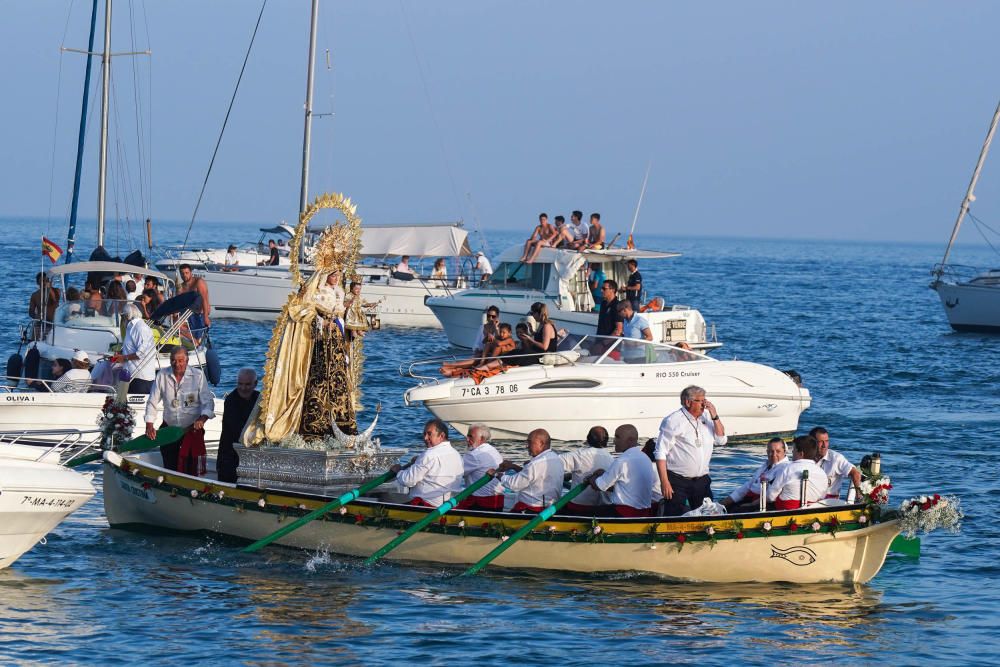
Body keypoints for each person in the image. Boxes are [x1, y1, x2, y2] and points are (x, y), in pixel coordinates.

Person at [654, 385, 728, 515]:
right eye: (701, 401)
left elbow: (721, 440)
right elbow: (660, 452)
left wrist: (715, 416)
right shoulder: (673, 421)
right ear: (688, 402)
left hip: (702, 480)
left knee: (708, 516)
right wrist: (664, 482)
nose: (704, 405)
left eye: (705, 401)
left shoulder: (706, 417)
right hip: (678, 480)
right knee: (674, 516)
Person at [144, 347, 215, 473]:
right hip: (169, 429)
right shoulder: (162, 375)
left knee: (191, 468)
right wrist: (149, 425)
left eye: (180, 360)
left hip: (191, 429)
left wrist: (202, 419)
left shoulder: (197, 375)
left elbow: (208, 402)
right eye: (173, 360)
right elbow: (152, 402)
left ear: (187, 361)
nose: (177, 364)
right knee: (169, 466)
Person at [390, 418, 464, 507]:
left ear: (441, 436)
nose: (425, 438)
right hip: (451, 505)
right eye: (424, 434)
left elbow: (407, 481)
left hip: (428, 506)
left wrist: (398, 471)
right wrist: (418, 461)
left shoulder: (429, 455)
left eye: (429, 434)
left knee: (385, 499)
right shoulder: (457, 455)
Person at [589, 424, 657, 517]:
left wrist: (591, 478)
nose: (614, 441)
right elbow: (628, 485)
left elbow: (600, 486)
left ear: (630, 440)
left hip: (623, 513)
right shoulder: (645, 458)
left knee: (585, 512)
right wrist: (605, 474)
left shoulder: (622, 460)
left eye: (617, 437)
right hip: (644, 513)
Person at [497, 428, 563, 512]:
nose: (526, 446)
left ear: (541, 443)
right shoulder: (556, 458)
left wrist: (497, 474)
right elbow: (533, 475)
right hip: (550, 508)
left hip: (531, 509)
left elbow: (513, 485)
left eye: (529, 442)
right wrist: (513, 466)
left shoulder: (535, 464)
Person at [721, 437, 790, 512]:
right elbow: (748, 486)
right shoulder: (766, 465)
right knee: (723, 507)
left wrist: (751, 504)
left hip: (762, 503)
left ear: (784, 451)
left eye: (778, 451)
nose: (774, 454)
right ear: (767, 452)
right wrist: (724, 502)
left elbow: (771, 496)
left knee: (734, 511)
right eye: (771, 451)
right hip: (749, 498)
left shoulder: (785, 469)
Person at [559, 426, 614, 515]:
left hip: (579, 508)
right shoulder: (612, 460)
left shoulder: (579, 455)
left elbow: (552, 463)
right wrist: (570, 475)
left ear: (588, 440)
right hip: (604, 509)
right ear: (607, 442)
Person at [217, 368, 259, 483]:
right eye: (240, 384)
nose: (243, 388)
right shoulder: (231, 400)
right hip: (230, 456)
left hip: (251, 455)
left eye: (247, 384)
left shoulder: (259, 399)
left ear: (255, 384)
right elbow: (236, 428)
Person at [765, 435, 829, 510]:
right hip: (813, 511)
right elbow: (823, 496)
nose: (792, 452)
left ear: (801, 453)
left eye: (794, 450)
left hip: (786, 510)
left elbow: (770, 497)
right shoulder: (822, 473)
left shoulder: (788, 468)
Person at [456, 424, 505, 510]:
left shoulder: (473, 455)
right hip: (498, 502)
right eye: (467, 436)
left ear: (481, 439)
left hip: (480, 504)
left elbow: (456, 474)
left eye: (471, 437)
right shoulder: (493, 450)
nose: (467, 439)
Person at [113, 303, 157, 394]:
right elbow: (132, 348)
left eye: (123, 316)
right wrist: (121, 353)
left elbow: (142, 353)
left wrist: (124, 358)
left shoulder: (140, 328)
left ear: (128, 316)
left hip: (141, 378)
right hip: (131, 376)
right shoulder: (131, 327)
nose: (122, 319)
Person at [810, 426, 863, 501]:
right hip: (809, 501)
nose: (824, 445)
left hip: (829, 503)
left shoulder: (836, 458)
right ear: (812, 443)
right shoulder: (805, 457)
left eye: (827, 441)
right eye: (821, 442)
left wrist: (859, 496)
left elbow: (855, 473)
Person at [178, 263, 211, 341]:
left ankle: (196, 341)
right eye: (182, 273)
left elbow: (204, 299)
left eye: (186, 273)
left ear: (191, 273)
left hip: (200, 314)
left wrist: (206, 317)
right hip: (188, 314)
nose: (184, 275)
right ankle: (194, 341)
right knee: (177, 326)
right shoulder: (181, 287)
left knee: (198, 336)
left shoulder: (198, 282)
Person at [29, 272, 60, 338]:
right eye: (42, 281)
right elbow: (31, 311)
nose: (45, 282)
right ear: (38, 282)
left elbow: (54, 300)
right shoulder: (35, 295)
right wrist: (36, 317)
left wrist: (49, 288)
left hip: (53, 323)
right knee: (34, 338)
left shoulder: (57, 291)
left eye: (47, 280)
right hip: (40, 324)